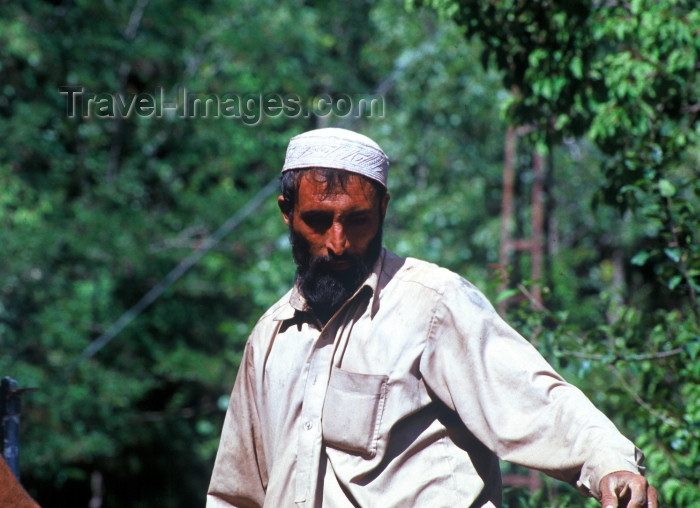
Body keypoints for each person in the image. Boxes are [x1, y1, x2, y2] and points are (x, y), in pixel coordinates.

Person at [207, 128, 657, 508]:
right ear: (287, 213)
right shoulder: (270, 339)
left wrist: (609, 463)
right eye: (319, 221)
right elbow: (235, 493)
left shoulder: (433, 305)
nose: (338, 242)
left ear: (383, 209)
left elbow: (534, 396)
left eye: (357, 220)